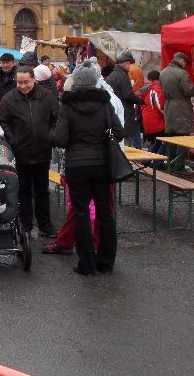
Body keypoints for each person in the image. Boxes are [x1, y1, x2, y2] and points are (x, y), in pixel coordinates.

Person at [43, 62, 125, 256]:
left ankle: (85, 262)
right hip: (102, 164)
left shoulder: (68, 106)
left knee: (80, 213)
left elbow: (61, 140)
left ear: (76, 82)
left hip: (77, 165)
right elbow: (119, 132)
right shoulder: (105, 103)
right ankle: (105, 262)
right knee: (105, 213)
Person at [0, 66, 59, 237]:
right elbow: (2, 121)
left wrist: (50, 136)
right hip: (20, 152)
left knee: (42, 190)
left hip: (42, 150)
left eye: (26, 82)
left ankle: (45, 224)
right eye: (19, 82)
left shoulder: (47, 96)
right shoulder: (9, 99)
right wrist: (13, 139)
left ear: (34, 80)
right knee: (23, 190)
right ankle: (25, 224)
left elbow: (56, 118)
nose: (23, 86)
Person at [159, 52, 194, 172]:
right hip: (181, 109)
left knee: (171, 138)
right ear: (182, 61)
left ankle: (170, 164)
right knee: (183, 138)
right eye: (185, 63)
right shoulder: (182, 73)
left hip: (169, 108)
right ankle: (179, 166)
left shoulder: (163, 72)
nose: (185, 65)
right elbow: (189, 90)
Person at [106, 52, 144, 148]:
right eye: (129, 65)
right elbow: (128, 95)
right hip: (125, 110)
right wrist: (140, 100)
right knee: (126, 139)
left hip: (114, 109)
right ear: (126, 64)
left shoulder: (111, 75)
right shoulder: (123, 76)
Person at [139, 70, 166, 155]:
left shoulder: (144, 88)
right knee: (163, 142)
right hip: (157, 120)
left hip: (147, 119)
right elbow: (159, 106)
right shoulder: (155, 88)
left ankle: (148, 159)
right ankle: (152, 160)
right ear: (157, 80)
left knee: (155, 142)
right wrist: (166, 115)